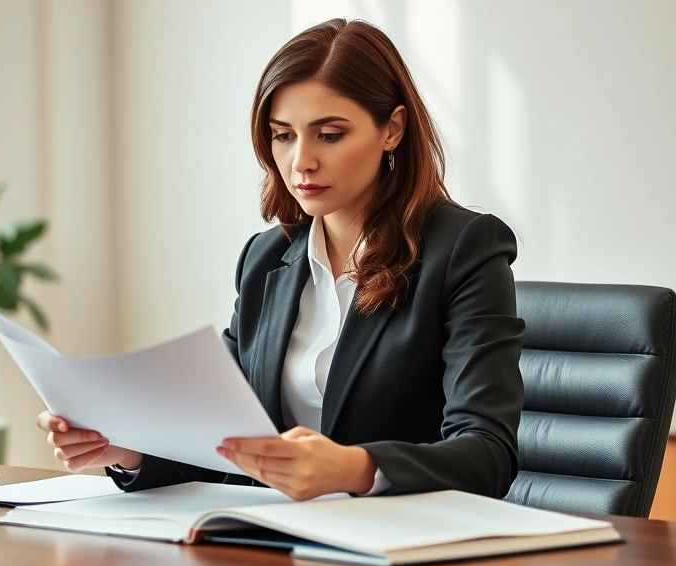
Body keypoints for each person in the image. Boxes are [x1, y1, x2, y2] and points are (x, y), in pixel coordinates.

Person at [36, 17, 524, 501]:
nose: (301, 162)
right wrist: (128, 449)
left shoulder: (463, 248)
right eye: (283, 135)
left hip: (400, 546)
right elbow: (223, 440)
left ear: (392, 129)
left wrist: (354, 468)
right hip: (277, 540)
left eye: (329, 135)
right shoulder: (266, 258)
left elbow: (487, 454)